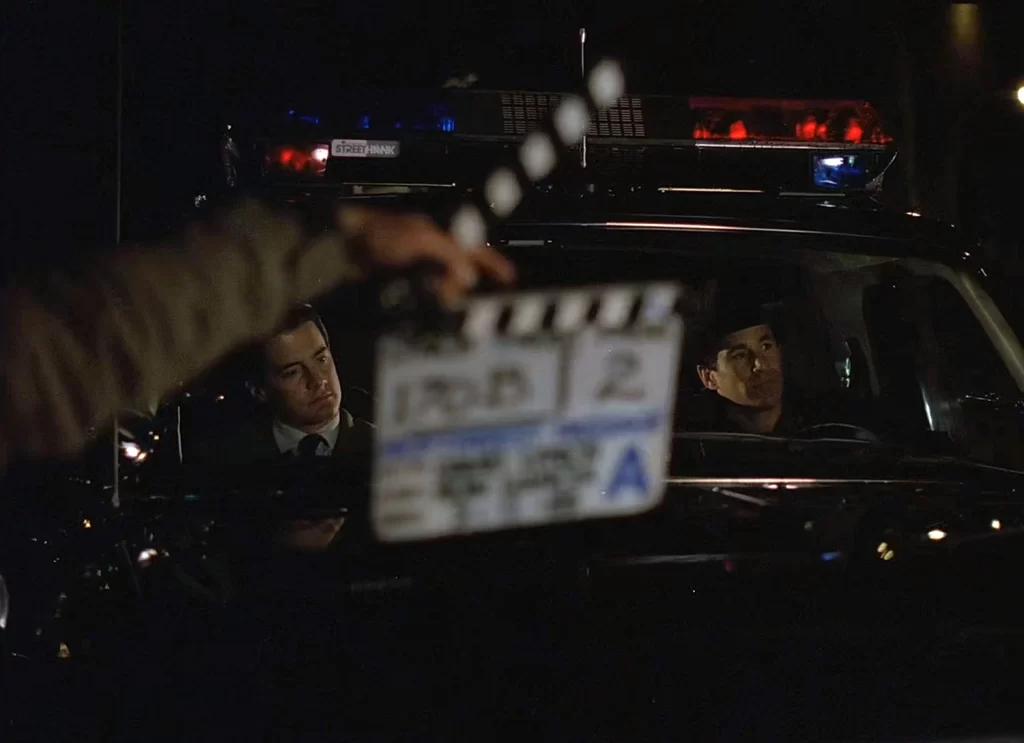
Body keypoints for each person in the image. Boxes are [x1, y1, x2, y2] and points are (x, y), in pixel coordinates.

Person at [0, 199, 515, 469]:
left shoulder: (390, 451)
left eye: (322, 359)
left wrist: (342, 244)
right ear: (259, 386)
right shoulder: (217, 461)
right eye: (292, 371)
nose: (319, 382)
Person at [688, 297, 806, 435]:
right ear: (709, 377)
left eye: (766, 346)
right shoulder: (697, 441)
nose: (760, 364)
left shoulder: (821, 421)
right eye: (740, 355)